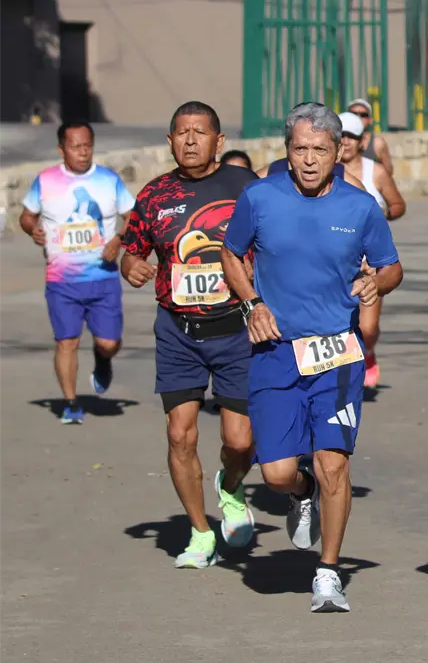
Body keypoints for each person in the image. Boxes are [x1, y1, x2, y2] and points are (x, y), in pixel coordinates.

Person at [220, 102, 403, 613]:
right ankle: (301, 495)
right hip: (275, 351)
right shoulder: (259, 197)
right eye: (298, 149)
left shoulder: (360, 206)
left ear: (338, 152)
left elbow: (392, 267)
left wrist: (375, 280)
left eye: (318, 149)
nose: (307, 159)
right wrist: (252, 303)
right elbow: (230, 254)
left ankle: (328, 572)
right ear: (287, 150)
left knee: (334, 465)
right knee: (277, 473)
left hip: (336, 353)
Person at [120, 101, 259, 569]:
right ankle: (201, 533)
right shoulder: (154, 195)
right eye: (181, 132)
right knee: (180, 435)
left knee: (239, 442)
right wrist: (132, 266)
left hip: (238, 329)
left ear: (219, 141)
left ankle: (232, 486)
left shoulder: (247, 188)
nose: (190, 140)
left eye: (200, 132)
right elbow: (131, 251)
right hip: (177, 331)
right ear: (170, 140)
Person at [18, 120, 134, 424]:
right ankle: (70, 402)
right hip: (61, 280)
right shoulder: (45, 181)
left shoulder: (109, 180)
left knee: (109, 342)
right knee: (66, 341)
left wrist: (119, 239)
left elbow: (133, 216)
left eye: (88, 146)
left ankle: (102, 358)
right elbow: (27, 216)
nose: (83, 153)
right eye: (76, 147)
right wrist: (34, 230)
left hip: (103, 277)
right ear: (61, 149)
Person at [339, 111, 406, 389]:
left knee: (367, 328)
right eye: (339, 136)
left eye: (350, 137)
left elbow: (398, 204)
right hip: (337, 263)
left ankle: (367, 353)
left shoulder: (374, 172)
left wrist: (379, 217)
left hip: (371, 264)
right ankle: (343, 374)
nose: (344, 142)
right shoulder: (322, 173)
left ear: (362, 140)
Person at [346, 98, 395, 175]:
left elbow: (388, 174)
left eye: (363, 115)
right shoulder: (340, 141)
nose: (358, 117)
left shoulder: (377, 144)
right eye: (354, 114)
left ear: (370, 120)